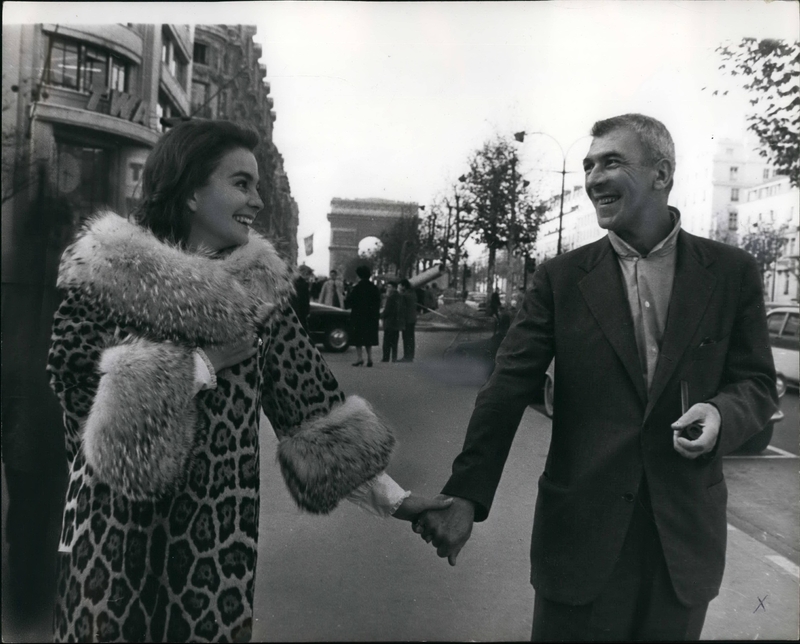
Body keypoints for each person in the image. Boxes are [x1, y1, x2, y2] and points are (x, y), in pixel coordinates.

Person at [46, 120, 451, 643]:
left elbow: (314, 417)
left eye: (258, 186)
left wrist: (402, 502)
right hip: (110, 549)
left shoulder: (261, 296)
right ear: (191, 189)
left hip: (213, 562)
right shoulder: (103, 276)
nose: (257, 201)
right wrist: (199, 367)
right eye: (241, 183)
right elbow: (77, 396)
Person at [414, 114, 778, 641]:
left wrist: (721, 413)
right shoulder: (560, 279)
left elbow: (757, 382)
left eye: (611, 162)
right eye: (588, 165)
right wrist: (467, 494)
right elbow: (506, 389)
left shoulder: (731, 272)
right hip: (580, 540)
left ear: (661, 174)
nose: (593, 178)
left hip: (681, 543)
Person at [346, 265, 381, 367]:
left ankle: (360, 358)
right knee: (368, 338)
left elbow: (350, 302)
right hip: (371, 317)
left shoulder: (357, 288)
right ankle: (370, 358)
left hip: (358, 316)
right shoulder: (374, 288)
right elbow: (378, 302)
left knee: (358, 338)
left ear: (359, 275)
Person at [380, 281, 405, 363]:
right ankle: (394, 358)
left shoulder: (391, 297)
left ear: (394, 287)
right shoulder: (400, 296)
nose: (387, 288)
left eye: (389, 287)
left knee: (387, 341)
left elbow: (387, 311)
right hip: (397, 323)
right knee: (395, 342)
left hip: (389, 322)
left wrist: (381, 315)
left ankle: (386, 358)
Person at [398, 279, 418, 362]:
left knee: (406, 338)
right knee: (411, 338)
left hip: (406, 319)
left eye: (400, 285)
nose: (399, 287)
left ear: (404, 286)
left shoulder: (404, 295)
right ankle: (410, 356)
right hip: (413, 318)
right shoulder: (413, 294)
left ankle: (406, 356)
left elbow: (401, 308)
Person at [290, 264, 312, 331]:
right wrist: (307, 312)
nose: (309, 277)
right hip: (300, 312)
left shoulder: (293, 282)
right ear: (305, 273)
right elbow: (305, 300)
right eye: (309, 274)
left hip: (293, 311)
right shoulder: (303, 284)